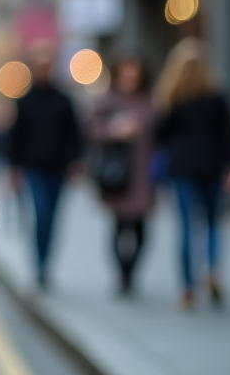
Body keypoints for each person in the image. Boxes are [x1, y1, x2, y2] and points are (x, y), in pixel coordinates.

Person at [154, 38, 230, 310]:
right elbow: (228, 135)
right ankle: (212, 269)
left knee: (187, 226)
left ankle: (188, 287)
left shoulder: (172, 97)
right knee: (213, 221)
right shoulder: (217, 95)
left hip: (182, 167)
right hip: (212, 166)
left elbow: (161, 136)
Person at [8, 43, 82, 289]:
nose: (44, 70)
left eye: (47, 66)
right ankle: (39, 264)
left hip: (58, 168)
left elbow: (74, 134)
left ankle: (46, 264)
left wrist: (75, 163)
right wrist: (14, 168)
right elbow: (16, 137)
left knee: (53, 218)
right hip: (33, 167)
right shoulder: (25, 101)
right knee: (41, 213)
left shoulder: (64, 100)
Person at [84, 53, 155, 295]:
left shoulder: (149, 101)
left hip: (143, 175)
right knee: (118, 226)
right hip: (117, 175)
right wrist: (115, 130)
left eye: (134, 75)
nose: (130, 79)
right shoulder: (107, 101)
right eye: (126, 74)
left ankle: (131, 272)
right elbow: (91, 130)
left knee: (141, 230)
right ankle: (122, 275)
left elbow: (162, 132)